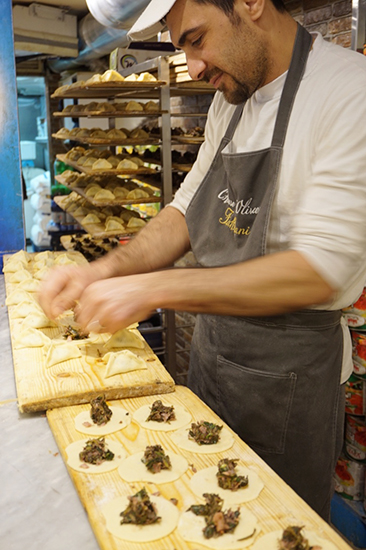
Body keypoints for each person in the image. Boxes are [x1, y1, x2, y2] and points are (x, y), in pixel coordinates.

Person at [38, 0, 366, 519]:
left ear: (251, 4)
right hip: (213, 359)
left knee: (276, 525)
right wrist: (104, 270)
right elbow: (186, 212)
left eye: (196, 39)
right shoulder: (229, 104)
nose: (192, 67)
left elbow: (321, 269)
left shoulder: (349, 93)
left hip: (289, 381)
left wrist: (153, 288)